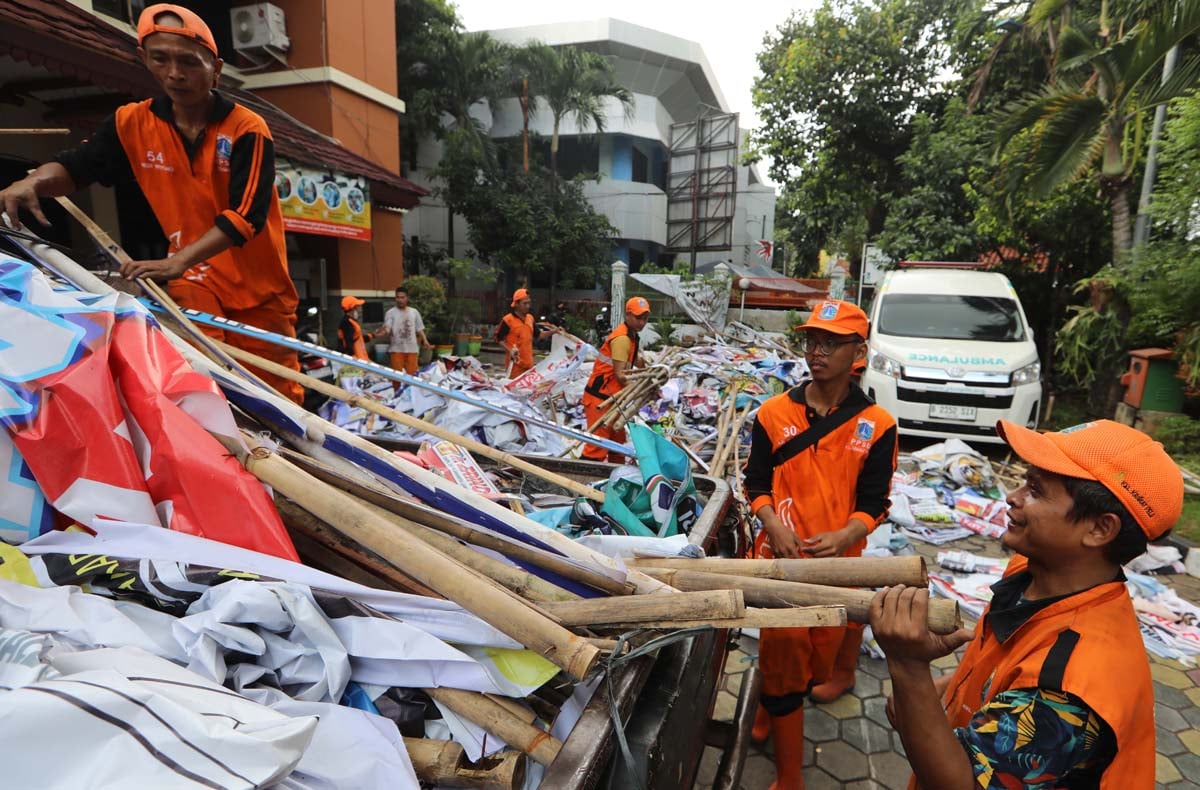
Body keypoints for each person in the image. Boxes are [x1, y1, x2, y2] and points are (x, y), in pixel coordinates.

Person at [0, 4, 303, 404]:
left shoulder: (247, 128)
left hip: (260, 288)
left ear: (215, 68)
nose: (175, 73)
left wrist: (175, 261)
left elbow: (246, 215)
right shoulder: (132, 124)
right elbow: (76, 167)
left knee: (278, 397)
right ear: (144, 59)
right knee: (208, 384)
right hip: (195, 279)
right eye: (161, 59)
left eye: (189, 62)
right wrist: (33, 181)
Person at [870, 419, 1182, 789]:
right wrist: (945, 690)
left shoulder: (1068, 691)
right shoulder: (1032, 572)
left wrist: (908, 668)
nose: (1012, 497)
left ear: (1100, 529)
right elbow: (1007, 675)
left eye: (1035, 489)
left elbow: (960, 784)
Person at [742, 299, 898, 790]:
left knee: (812, 664)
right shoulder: (772, 414)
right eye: (812, 341)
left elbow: (875, 503)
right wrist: (772, 523)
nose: (817, 351)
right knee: (785, 660)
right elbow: (755, 483)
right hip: (781, 565)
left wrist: (846, 535)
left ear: (858, 354)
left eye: (831, 343)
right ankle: (790, 776)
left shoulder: (879, 425)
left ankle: (767, 714)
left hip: (837, 568)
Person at [581, 296, 652, 462]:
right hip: (601, 399)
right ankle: (582, 476)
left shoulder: (632, 336)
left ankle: (617, 475)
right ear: (628, 315)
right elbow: (621, 376)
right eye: (638, 318)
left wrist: (649, 371)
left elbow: (634, 360)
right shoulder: (622, 338)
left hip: (614, 398)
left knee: (617, 446)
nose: (642, 322)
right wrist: (641, 390)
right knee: (597, 446)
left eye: (645, 318)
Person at [495, 288, 555, 378]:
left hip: (528, 364)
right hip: (515, 365)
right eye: (524, 303)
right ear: (516, 304)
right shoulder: (508, 320)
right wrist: (510, 350)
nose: (527, 306)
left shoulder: (530, 318)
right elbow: (498, 338)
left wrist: (554, 331)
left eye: (529, 303)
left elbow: (539, 335)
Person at [382, 285, 430, 374]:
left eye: (402, 297)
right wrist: (384, 331)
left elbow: (419, 328)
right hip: (396, 350)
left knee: (412, 376)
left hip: (412, 349)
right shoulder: (390, 313)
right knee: (396, 377)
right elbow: (387, 328)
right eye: (398, 297)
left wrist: (425, 340)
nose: (400, 300)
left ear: (407, 298)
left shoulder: (414, 312)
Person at [337, 296, 373, 361]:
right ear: (353, 308)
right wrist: (353, 359)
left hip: (360, 359)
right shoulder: (347, 323)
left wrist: (373, 335)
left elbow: (358, 338)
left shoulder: (351, 321)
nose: (360, 309)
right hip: (356, 361)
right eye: (358, 306)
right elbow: (348, 343)